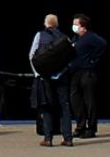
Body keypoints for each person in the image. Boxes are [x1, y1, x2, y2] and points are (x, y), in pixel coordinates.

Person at [26, 14, 76, 147]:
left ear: (45, 23)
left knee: (46, 106)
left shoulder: (39, 35)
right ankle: (68, 138)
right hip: (62, 76)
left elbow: (32, 55)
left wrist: (37, 73)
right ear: (57, 24)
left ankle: (48, 138)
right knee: (64, 107)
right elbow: (70, 57)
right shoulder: (65, 37)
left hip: (45, 77)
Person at [67, 17, 110, 139]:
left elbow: (102, 44)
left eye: (76, 24)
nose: (74, 26)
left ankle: (91, 128)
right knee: (75, 100)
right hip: (75, 72)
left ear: (83, 27)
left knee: (89, 101)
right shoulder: (76, 38)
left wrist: (93, 60)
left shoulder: (91, 37)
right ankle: (80, 126)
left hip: (88, 72)